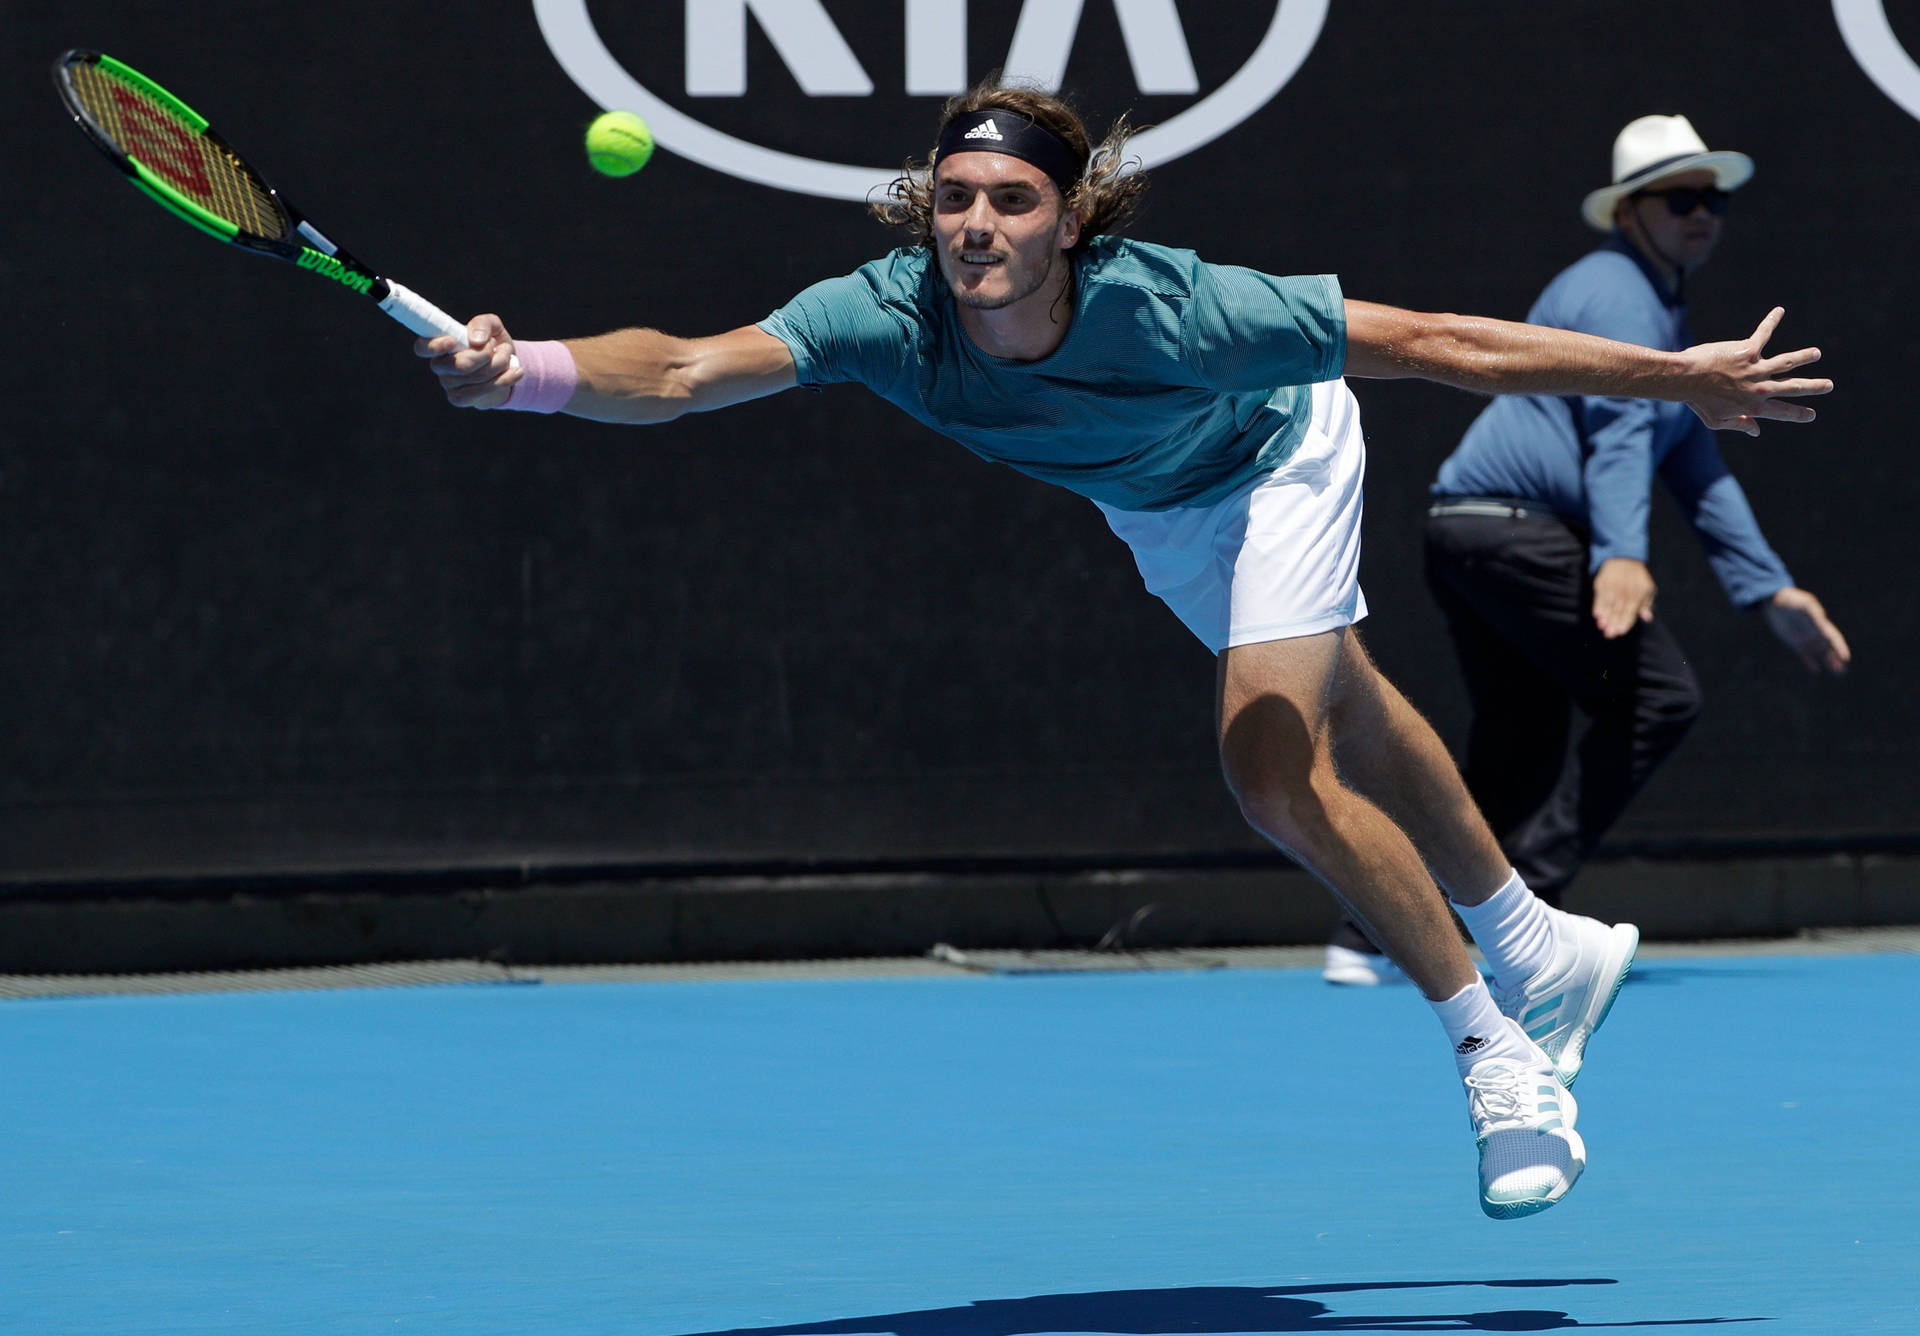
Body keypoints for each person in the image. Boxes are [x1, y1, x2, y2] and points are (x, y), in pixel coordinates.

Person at [418, 83, 1831, 1218]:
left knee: (1271, 769)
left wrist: (1677, 377)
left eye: (1013, 202)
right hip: (1157, 509)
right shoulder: (884, 316)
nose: (978, 224)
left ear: (1069, 222)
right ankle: (1540, 941)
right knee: (1342, 697)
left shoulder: (1175, 307)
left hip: (1281, 448)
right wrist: (526, 371)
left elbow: (1442, 344)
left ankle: (1499, 1055)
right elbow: (674, 368)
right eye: (956, 198)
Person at [1323, 115, 1851, 989]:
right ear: (1628, 213)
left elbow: (1694, 463)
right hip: (1507, 531)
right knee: (1659, 697)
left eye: (1712, 200)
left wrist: (1769, 590)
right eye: (1681, 199)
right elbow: (1617, 430)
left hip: (1468, 534)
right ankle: (1528, 916)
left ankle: (1374, 929)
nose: (1703, 216)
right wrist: (1620, 553)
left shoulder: (1659, 310)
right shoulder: (1616, 290)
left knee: (1519, 750)